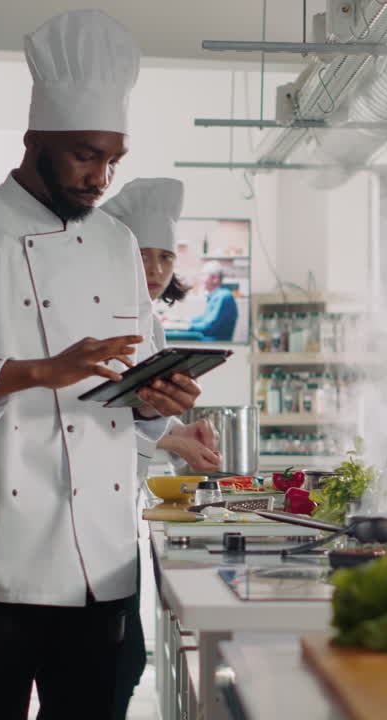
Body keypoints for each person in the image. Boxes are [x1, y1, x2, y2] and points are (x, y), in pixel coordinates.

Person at [0, 11, 204, 719]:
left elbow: (130, 382)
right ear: (35, 142)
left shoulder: (118, 243)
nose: (102, 176)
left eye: (113, 158)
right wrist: (38, 371)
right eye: (85, 155)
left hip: (101, 548)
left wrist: (156, 400)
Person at [100, 177, 221, 719]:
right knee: (113, 667)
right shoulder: (104, 317)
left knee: (121, 665)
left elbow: (127, 416)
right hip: (85, 516)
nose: (154, 270)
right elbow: (93, 417)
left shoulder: (148, 318)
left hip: (114, 510)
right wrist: (165, 427)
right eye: (143, 256)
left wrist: (178, 434)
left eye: (164, 258)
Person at [165, 261, 239, 342]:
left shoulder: (223, 297)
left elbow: (208, 327)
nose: (201, 280)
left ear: (215, 278)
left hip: (213, 342)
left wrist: (182, 326)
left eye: (204, 276)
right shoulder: (217, 295)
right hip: (209, 338)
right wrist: (178, 320)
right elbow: (203, 319)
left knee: (168, 336)